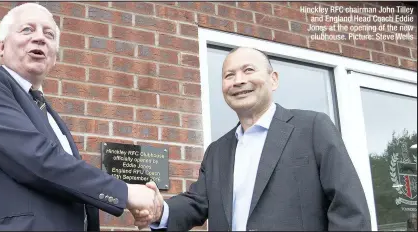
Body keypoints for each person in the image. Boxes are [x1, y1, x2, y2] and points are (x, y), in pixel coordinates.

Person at [0, 3, 159, 231]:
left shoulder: (51, 117)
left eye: (49, 34)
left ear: (54, 57)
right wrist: (125, 193)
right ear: (1, 46)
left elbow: (65, 180)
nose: (39, 38)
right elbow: (34, 157)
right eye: (27, 29)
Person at [133, 47, 372, 231]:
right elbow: (197, 203)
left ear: (273, 79)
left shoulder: (312, 128)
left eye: (248, 70)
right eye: (229, 75)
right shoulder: (217, 151)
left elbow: (349, 209)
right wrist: (160, 210)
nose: (238, 81)